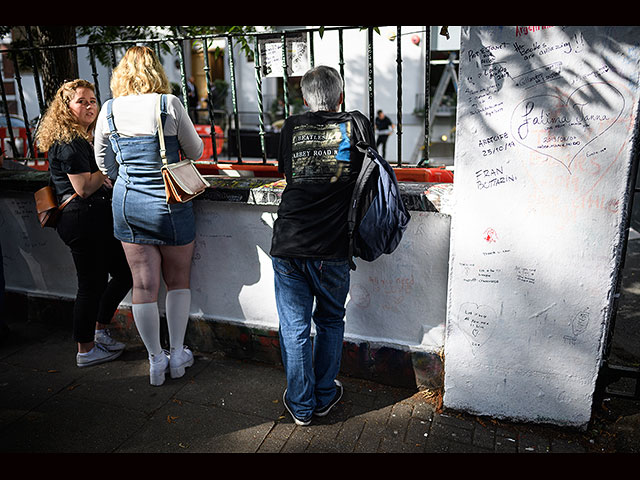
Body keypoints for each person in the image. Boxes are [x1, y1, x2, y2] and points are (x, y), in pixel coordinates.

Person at [270, 65, 375, 425]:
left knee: (294, 328)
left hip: (289, 242)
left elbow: (287, 173)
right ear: (340, 97)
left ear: (303, 99)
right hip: (331, 247)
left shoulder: (291, 126)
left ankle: (300, 406)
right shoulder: (357, 123)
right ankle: (324, 396)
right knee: (330, 320)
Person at [94, 46, 204, 387]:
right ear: (155, 71)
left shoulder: (109, 109)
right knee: (177, 280)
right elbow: (197, 150)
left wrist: (125, 171)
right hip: (169, 202)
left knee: (142, 284)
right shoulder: (167, 103)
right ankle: (178, 355)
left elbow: (103, 162)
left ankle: (156, 360)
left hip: (128, 204)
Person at [35, 79, 133, 367]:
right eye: (82, 101)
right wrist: (102, 172)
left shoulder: (81, 138)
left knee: (124, 274)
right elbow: (83, 188)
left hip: (93, 222)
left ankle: (100, 331)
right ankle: (85, 350)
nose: (90, 106)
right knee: (90, 285)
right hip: (81, 221)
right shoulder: (69, 142)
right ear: (66, 108)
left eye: (92, 100)